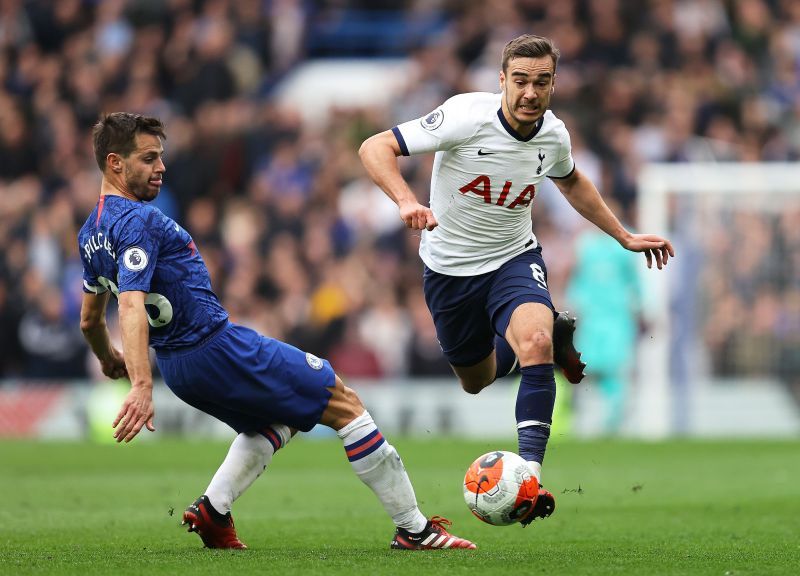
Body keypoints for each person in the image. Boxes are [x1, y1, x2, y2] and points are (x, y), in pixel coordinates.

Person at [77, 112, 475, 551]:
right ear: (115, 163)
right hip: (214, 347)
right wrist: (139, 383)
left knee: (280, 418)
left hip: (181, 366)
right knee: (342, 401)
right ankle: (415, 529)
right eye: (149, 158)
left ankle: (213, 510)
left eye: (161, 157)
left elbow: (90, 320)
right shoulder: (137, 221)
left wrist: (107, 356)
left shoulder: (90, 233)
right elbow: (130, 304)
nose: (161, 167)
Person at [359, 34, 674, 524]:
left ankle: (529, 476)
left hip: (513, 258)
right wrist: (404, 200)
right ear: (502, 79)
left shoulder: (553, 134)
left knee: (535, 339)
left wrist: (623, 236)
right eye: (521, 80)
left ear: (553, 84)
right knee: (475, 380)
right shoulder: (465, 115)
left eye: (542, 82)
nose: (531, 93)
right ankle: (550, 339)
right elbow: (375, 146)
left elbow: (570, 180)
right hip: (450, 270)